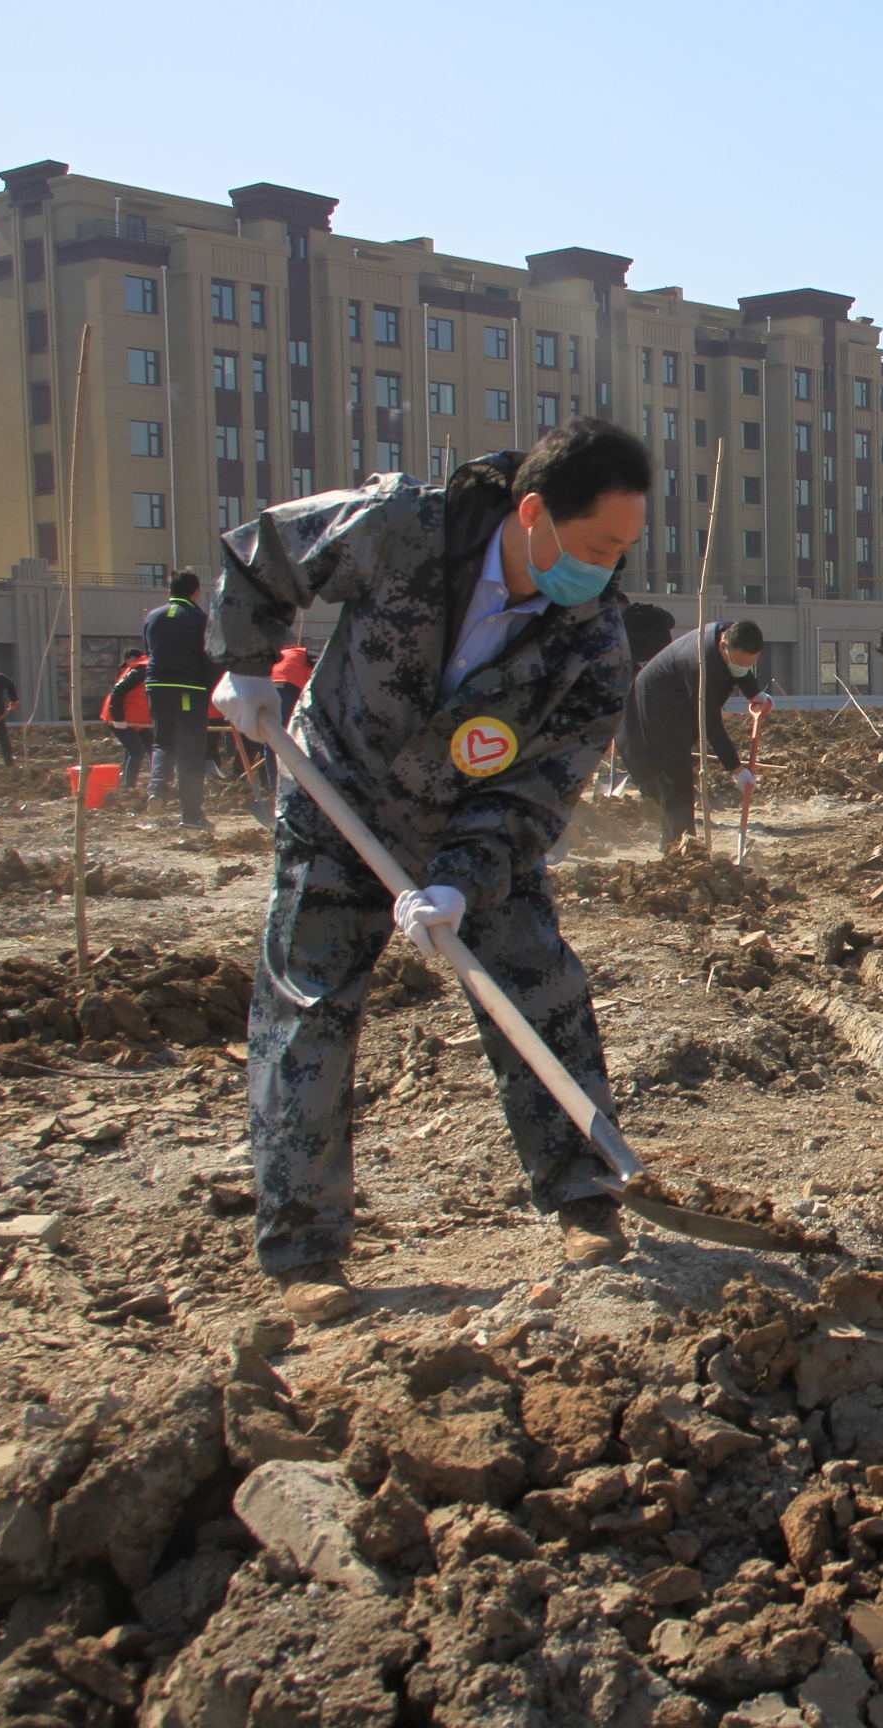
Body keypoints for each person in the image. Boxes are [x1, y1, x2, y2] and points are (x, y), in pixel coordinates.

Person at [211, 418, 653, 1322]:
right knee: (310, 1007)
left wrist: (461, 878)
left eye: (625, 550)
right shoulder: (402, 529)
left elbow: (538, 790)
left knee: (539, 989)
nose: (608, 567)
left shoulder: (591, 643)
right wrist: (248, 664)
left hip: (468, 830)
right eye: (599, 544)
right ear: (533, 513)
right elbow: (264, 555)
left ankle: (583, 1195)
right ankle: (303, 1248)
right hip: (338, 800)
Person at [621, 618, 773, 853]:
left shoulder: (733, 633)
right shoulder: (701, 665)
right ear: (723, 645)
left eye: (750, 664)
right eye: (740, 662)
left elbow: (739, 670)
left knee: (678, 776)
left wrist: (754, 692)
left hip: (677, 701)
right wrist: (736, 769)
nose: (743, 667)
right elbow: (709, 722)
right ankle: (679, 849)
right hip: (654, 706)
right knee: (675, 777)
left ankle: (680, 844)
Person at [140, 569, 218, 828]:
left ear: (169, 589)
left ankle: (156, 792)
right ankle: (191, 813)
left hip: (157, 687)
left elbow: (148, 651)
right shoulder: (200, 619)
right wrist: (211, 688)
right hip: (188, 689)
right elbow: (211, 658)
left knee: (163, 742)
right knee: (191, 750)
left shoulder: (152, 616)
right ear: (196, 592)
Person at [101, 649, 154, 801]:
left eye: (127, 663)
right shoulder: (140, 671)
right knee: (136, 751)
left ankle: (158, 784)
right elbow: (117, 692)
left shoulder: (144, 669)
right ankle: (129, 789)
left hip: (138, 720)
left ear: (132, 658)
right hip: (121, 718)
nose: (127, 667)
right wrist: (118, 718)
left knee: (153, 749)